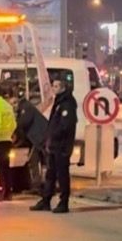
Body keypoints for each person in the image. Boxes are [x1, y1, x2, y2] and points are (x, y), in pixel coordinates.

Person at [32, 78, 77, 213]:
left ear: (63, 87)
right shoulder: (58, 101)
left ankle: (64, 202)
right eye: (53, 85)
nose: (54, 88)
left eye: (57, 86)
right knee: (50, 174)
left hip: (62, 146)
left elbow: (66, 125)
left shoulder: (67, 103)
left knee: (62, 175)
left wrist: (54, 136)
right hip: (53, 145)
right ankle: (46, 200)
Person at [13, 84, 49, 193]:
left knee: (35, 161)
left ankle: (39, 185)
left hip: (40, 138)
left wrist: (13, 133)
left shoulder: (26, 108)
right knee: (39, 161)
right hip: (38, 138)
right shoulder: (24, 108)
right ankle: (42, 184)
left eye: (14, 103)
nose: (13, 106)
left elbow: (22, 124)